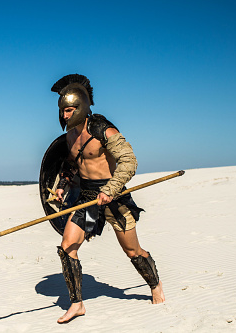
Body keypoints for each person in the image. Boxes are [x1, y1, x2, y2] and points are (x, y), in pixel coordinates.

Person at [50, 74, 165, 324]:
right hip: (88, 197)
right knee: (67, 247)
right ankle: (77, 304)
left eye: (69, 110)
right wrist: (63, 185)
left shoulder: (103, 129)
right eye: (63, 111)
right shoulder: (69, 136)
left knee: (132, 250)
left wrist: (111, 189)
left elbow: (128, 160)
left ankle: (155, 285)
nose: (65, 115)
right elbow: (70, 165)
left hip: (115, 196)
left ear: (81, 107)